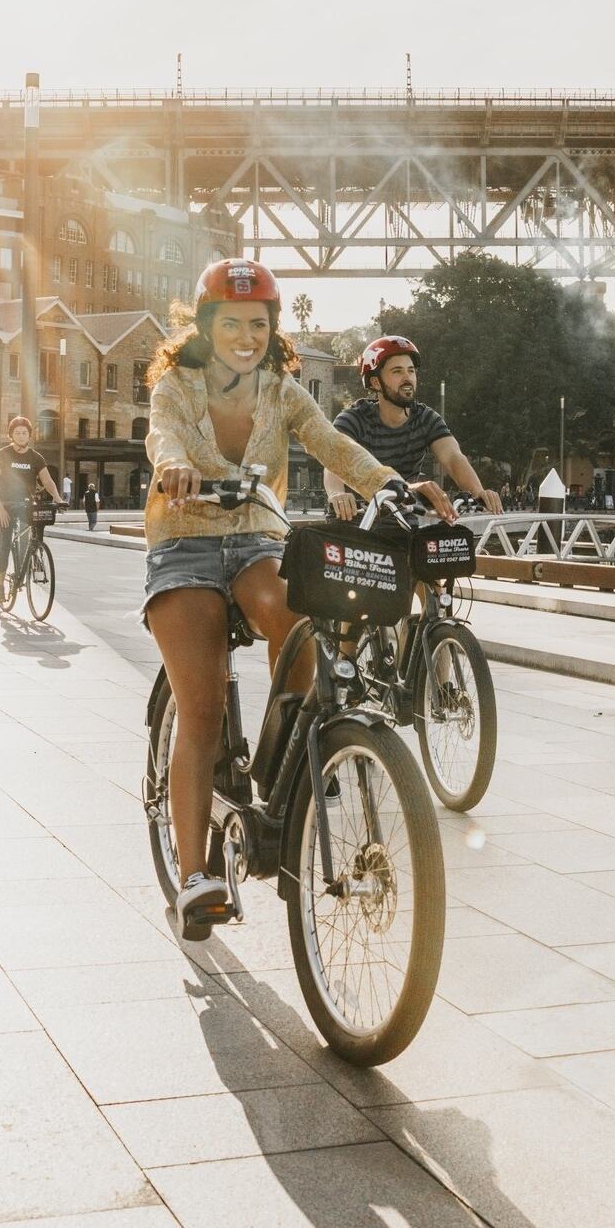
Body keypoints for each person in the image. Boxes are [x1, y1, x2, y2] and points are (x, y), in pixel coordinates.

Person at [143, 259, 455, 937]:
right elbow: (161, 433)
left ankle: (284, 760)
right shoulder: (176, 385)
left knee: (301, 619)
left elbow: (329, 441)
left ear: (272, 327)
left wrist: (387, 483)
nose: (246, 336)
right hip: (184, 541)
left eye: (258, 324)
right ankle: (194, 875)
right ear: (206, 325)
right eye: (232, 323)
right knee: (197, 706)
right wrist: (171, 468)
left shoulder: (281, 389)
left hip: (255, 539)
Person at [323, 336, 503, 519]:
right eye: (397, 371)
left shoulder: (426, 418)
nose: (407, 378)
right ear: (376, 382)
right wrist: (337, 494)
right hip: (355, 519)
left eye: (411, 371)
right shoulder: (354, 418)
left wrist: (478, 492)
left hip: (401, 518)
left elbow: (452, 457)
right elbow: (335, 460)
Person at [0, 415, 58, 604]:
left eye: (24, 432)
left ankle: (27, 563)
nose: (20, 435)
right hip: (4, 506)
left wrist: (58, 498)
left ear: (29, 435)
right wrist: (0, 508)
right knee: (5, 544)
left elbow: (48, 481)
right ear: (11, 435)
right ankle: (0, 585)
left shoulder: (36, 457)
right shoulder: (2, 455)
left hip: (25, 505)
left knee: (33, 532)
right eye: (17, 433)